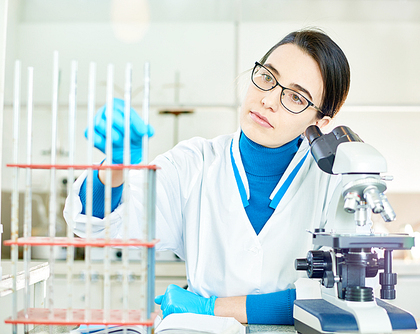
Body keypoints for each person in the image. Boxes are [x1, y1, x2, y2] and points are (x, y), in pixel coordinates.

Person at [64, 28, 350, 325]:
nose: (268, 100)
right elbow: (101, 227)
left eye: (294, 96)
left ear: (321, 121)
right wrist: (115, 167)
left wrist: (209, 307)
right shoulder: (194, 163)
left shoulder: (334, 182)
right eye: (267, 78)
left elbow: (338, 299)